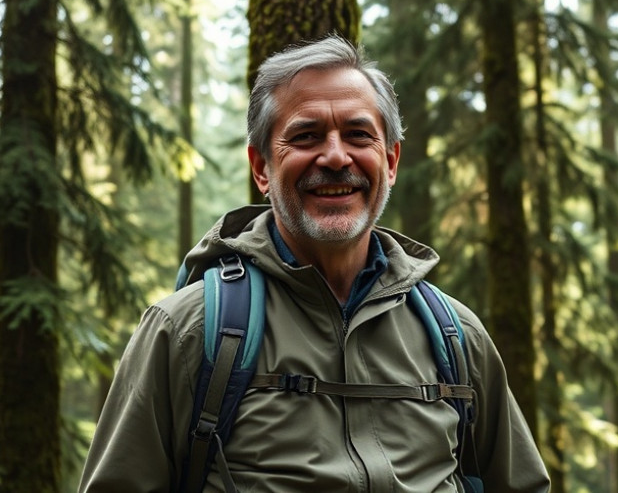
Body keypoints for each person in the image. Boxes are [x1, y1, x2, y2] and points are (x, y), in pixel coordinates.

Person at [78, 35, 550, 492]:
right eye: (305, 136)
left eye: (358, 134)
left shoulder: (456, 337)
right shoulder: (186, 331)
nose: (335, 155)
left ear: (390, 161)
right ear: (262, 167)